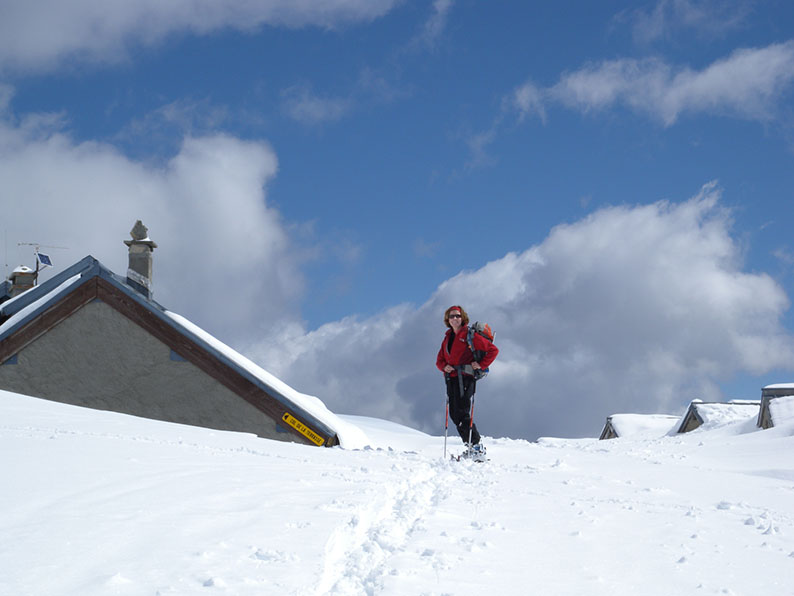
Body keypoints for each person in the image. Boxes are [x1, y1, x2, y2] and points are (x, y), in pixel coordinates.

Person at [436, 305, 498, 454]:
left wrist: (481, 364)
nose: (455, 319)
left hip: (465, 378)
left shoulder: (469, 335)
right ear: (447, 319)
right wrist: (444, 367)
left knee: (461, 413)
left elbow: (493, 350)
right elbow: (439, 360)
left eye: (457, 316)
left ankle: (476, 446)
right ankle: (472, 446)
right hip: (451, 379)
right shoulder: (447, 338)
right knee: (455, 414)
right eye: (452, 316)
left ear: (462, 317)